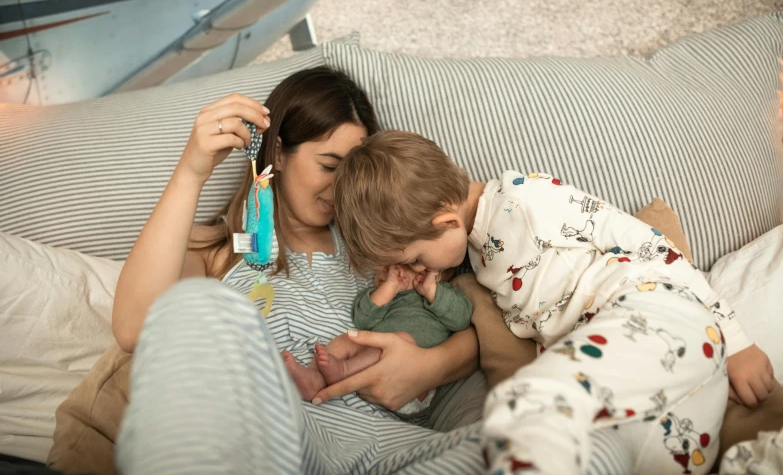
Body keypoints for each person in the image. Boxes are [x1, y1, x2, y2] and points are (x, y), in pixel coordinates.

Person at [110, 67, 491, 474]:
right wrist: (191, 172)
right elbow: (136, 328)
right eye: (330, 166)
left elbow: (472, 329)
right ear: (278, 154)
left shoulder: (388, 253)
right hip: (279, 446)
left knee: (517, 436)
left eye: (354, 175)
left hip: (394, 452)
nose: (341, 190)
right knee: (195, 302)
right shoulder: (219, 253)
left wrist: (429, 368)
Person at [332, 130, 776, 475]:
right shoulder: (473, 250)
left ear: (447, 221)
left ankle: (528, 418)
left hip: (649, 308)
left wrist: (734, 338)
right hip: (660, 373)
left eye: (414, 258)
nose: (415, 270)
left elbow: (647, 244)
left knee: (529, 403)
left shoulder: (524, 199)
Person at [282, 264, 472, 416]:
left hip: (413, 384)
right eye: (390, 267)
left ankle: (344, 370)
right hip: (372, 365)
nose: (391, 270)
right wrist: (389, 288)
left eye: (408, 265)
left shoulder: (446, 295)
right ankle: (313, 378)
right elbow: (362, 319)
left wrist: (432, 291)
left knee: (400, 339)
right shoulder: (389, 295)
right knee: (348, 339)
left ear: (437, 275)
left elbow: (461, 319)